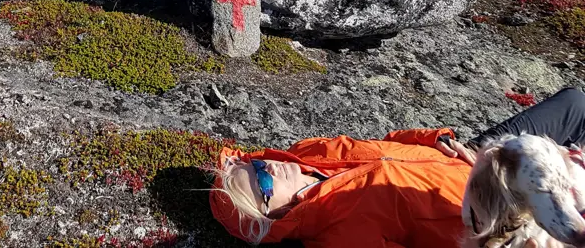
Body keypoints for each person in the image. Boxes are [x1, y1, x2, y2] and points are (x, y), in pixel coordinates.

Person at [211, 87, 585, 247]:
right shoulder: (340, 237)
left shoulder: (309, 153)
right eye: (261, 180)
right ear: (271, 217)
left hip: (473, 155)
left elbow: (390, 141)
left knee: (575, 103)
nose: (270, 167)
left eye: (258, 162)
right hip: (495, 207)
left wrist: (437, 139)